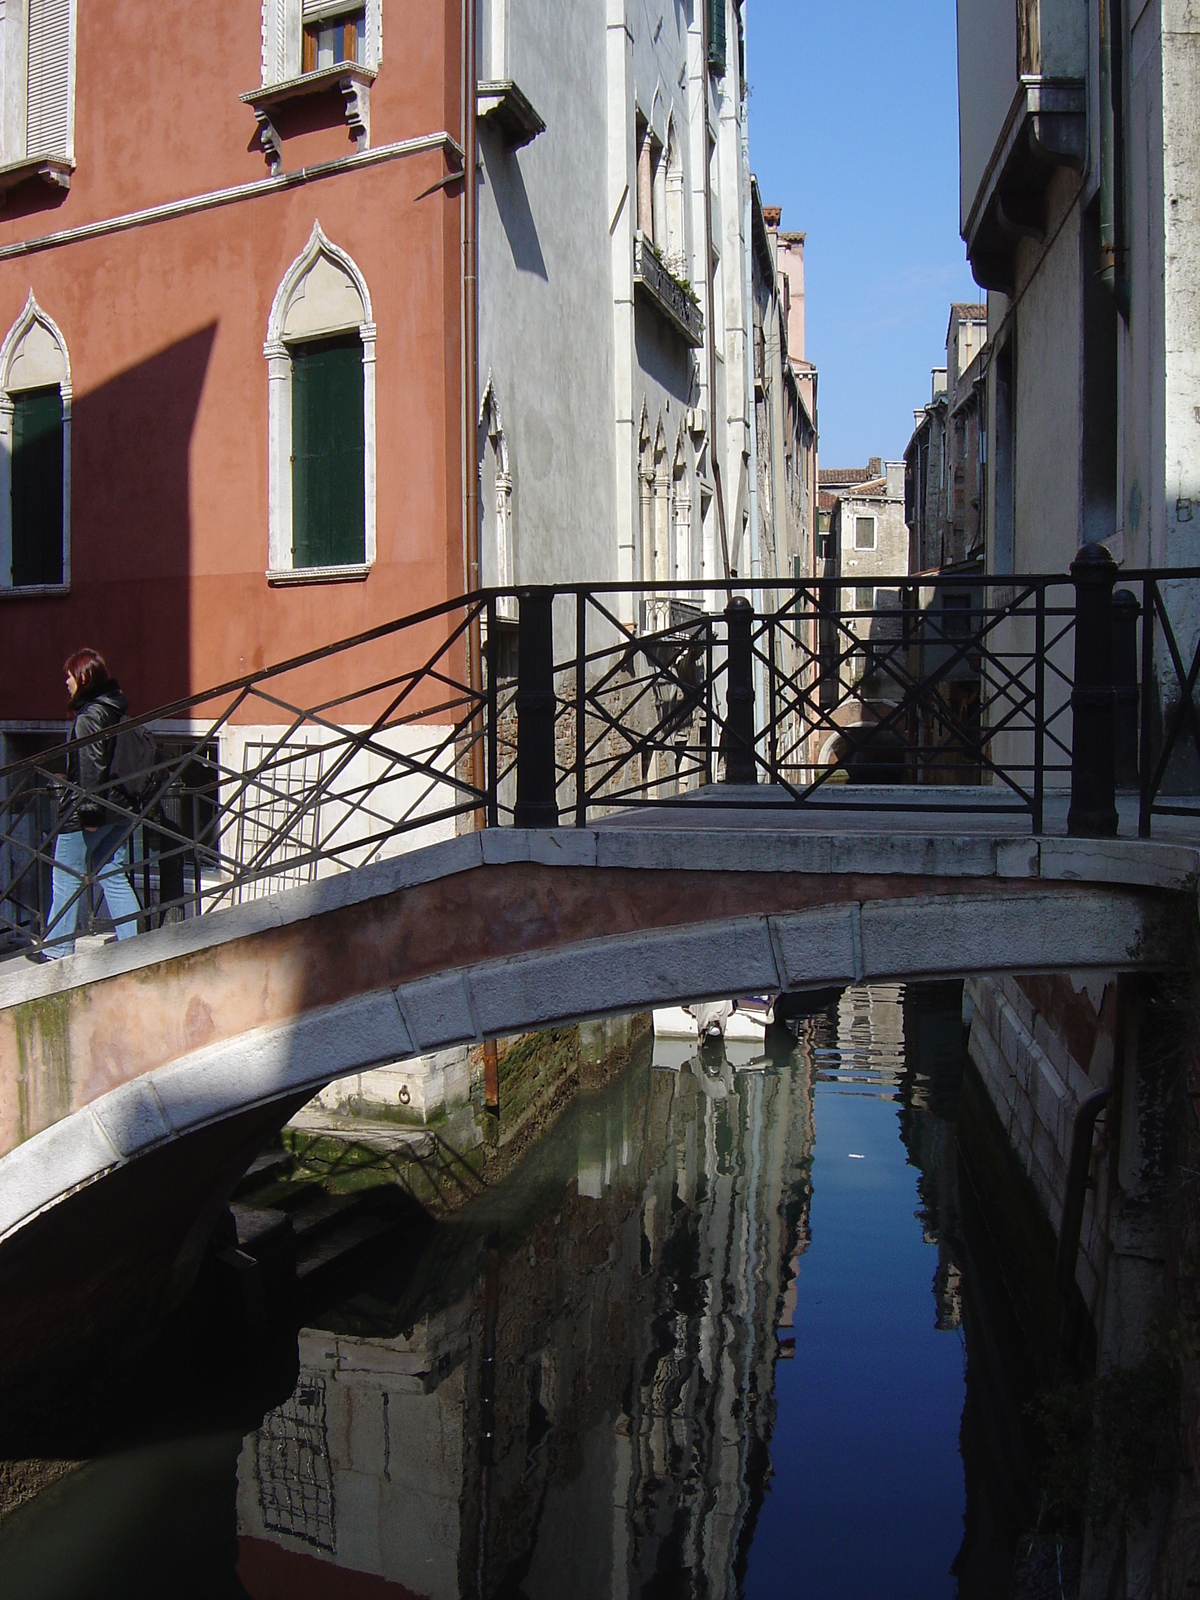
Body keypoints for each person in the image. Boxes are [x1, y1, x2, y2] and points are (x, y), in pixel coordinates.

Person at [40, 649, 143, 955]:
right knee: (112, 872)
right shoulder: (114, 708)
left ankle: (57, 951)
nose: (66, 682)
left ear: (83, 677)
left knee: (65, 877)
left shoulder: (89, 716)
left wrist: (89, 812)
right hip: (119, 808)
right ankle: (135, 945)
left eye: (69, 676)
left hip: (89, 811)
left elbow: (91, 764)